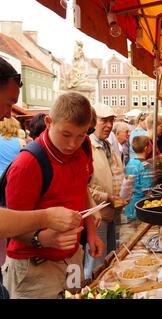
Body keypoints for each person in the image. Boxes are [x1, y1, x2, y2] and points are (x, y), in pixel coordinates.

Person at [3, 92, 104, 299]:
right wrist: (42, 239)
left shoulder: (85, 147)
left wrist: (91, 232)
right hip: (34, 267)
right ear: (49, 122)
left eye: (81, 135)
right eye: (65, 134)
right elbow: (10, 227)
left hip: (72, 258)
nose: (72, 144)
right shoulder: (27, 164)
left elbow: (81, 187)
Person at [85, 103, 124, 280]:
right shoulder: (87, 146)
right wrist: (106, 196)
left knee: (109, 260)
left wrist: (124, 192)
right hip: (97, 216)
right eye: (104, 120)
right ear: (93, 121)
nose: (108, 125)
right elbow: (83, 187)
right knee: (95, 263)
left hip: (113, 211)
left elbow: (115, 173)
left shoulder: (108, 145)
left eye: (111, 121)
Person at [123, 135, 153, 221]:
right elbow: (147, 189)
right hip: (140, 206)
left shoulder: (130, 162)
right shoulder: (145, 165)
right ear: (146, 148)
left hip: (129, 205)